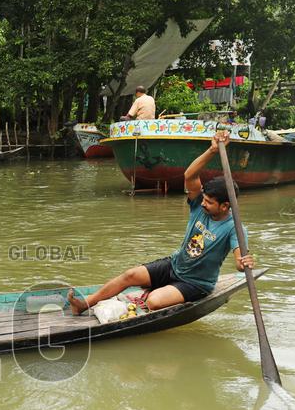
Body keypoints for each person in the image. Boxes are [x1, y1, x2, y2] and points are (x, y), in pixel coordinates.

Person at [67, 131, 254, 314]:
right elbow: (189, 176)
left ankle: (165, 295)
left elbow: (239, 261)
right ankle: (84, 304)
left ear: (225, 206)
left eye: (210, 202)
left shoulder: (234, 227)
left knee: (154, 302)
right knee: (130, 275)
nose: (203, 203)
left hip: (195, 283)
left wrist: (243, 262)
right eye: (204, 198)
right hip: (174, 265)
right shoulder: (199, 205)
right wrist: (212, 151)